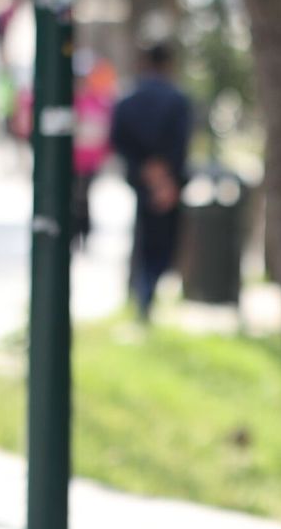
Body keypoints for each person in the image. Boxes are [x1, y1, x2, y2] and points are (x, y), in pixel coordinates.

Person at [109, 42, 192, 321]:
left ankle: (141, 295)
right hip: (166, 183)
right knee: (161, 242)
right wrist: (165, 177)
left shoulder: (128, 100)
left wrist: (145, 168)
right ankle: (145, 296)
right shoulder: (177, 100)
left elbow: (118, 138)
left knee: (144, 237)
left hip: (142, 180)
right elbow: (180, 143)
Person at [71, 55, 118, 251]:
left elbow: (105, 131)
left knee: (83, 197)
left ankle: (84, 233)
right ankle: (75, 232)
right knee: (75, 197)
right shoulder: (73, 101)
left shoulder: (98, 102)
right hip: (73, 161)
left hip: (89, 162)